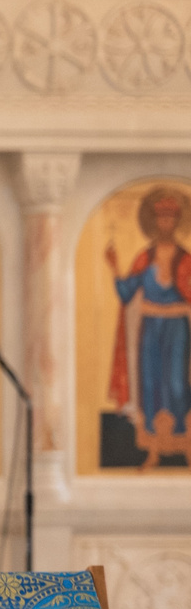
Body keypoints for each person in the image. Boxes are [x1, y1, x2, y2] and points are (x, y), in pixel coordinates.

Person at [106, 184, 191, 460]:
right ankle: (153, 447)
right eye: (161, 217)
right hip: (151, 328)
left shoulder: (186, 260)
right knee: (151, 383)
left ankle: (183, 441)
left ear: (177, 221)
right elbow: (126, 293)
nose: (166, 222)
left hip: (176, 329)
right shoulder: (145, 258)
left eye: (171, 217)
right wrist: (114, 265)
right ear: (154, 221)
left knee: (176, 383)